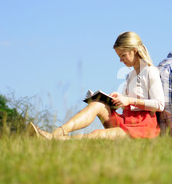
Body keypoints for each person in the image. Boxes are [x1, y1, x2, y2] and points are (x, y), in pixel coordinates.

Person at [30, 31, 165, 140]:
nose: (120, 60)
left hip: (142, 128)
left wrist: (129, 100)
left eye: (123, 55)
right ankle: (56, 133)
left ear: (134, 50)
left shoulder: (150, 71)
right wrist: (116, 100)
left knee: (97, 134)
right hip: (126, 121)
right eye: (119, 56)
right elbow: (128, 105)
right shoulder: (130, 76)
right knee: (97, 104)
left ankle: (53, 141)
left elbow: (160, 105)